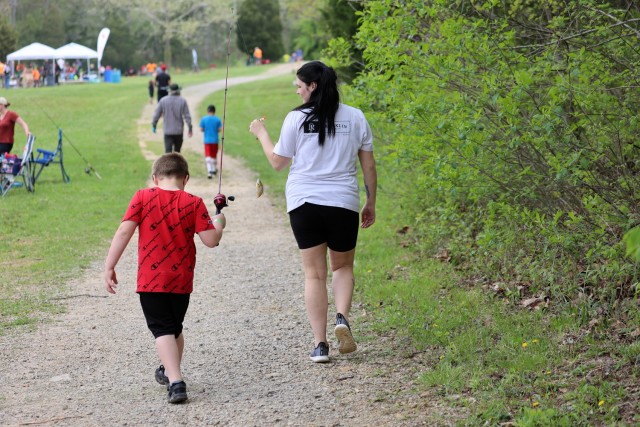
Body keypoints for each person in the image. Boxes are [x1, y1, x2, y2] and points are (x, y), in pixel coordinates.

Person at [248, 61, 377, 363]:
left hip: (304, 203)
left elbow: (278, 162)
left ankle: (320, 345)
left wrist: (261, 133)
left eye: (299, 85)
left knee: (314, 274)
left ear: (313, 86)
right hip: (343, 202)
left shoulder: (296, 118)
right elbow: (368, 166)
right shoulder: (356, 117)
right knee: (342, 268)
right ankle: (342, 318)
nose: (297, 89)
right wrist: (370, 201)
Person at [104, 153, 226, 404]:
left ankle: (176, 381)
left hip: (151, 279)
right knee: (174, 328)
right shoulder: (193, 202)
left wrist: (110, 265)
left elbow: (124, 230)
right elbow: (211, 241)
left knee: (162, 330)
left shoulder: (142, 197)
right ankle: (168, 370)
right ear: (186, 179)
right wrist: (219, 223)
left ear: (155, 178)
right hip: (181, 280)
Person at [151, 83, 193, 153]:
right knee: (177, 152)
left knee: (168, 152)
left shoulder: (163, 100)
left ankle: (169, 164)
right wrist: (190, 128)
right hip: (178, 131)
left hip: (168, 130)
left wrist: (154, 124)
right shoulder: (182, 101)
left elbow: (156, 114)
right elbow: (187, 116)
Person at [199, 104, 222, 179]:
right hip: (215, 140)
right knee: (214, 155)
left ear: (207, 111)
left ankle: (209, 171)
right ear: (214, 111)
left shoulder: (204, 119)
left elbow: (201, 129)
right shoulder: (217, 119)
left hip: (207, 140)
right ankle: (214, 169)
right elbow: (219, 129)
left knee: (208, 155)